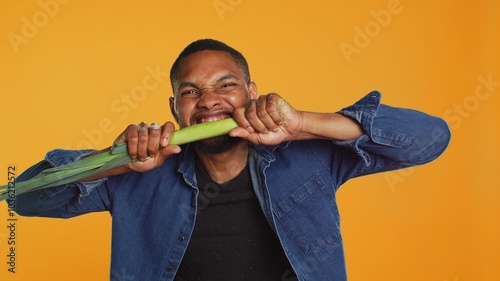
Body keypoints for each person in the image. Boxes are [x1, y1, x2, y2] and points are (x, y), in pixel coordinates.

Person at [15, 38, 451, 281]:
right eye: (191, 92)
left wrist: (303, 123)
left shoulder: (308, 157)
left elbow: (430, 139)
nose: (209, 102)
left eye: (227, 86)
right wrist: (115, 161)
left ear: (252, 93)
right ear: (174, 108)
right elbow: (23, 198)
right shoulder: (135, 173)